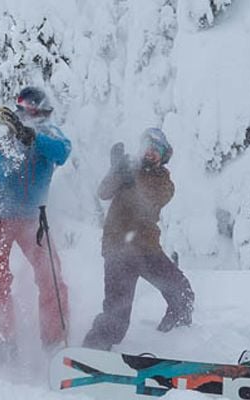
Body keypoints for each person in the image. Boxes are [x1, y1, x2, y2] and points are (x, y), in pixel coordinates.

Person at [82, 128, 195, 351]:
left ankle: (174, 339)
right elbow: (103, 192)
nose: (151, 153)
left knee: (182, 292)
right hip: (118, 250)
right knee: (116, 315)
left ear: (164, 155)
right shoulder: (127, 168)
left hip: (147, 250)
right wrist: (116, 171)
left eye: (157, 149)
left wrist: (130, 180)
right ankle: (92, 351)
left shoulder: (164, 181)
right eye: (148, 147)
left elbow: (149, 201)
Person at [0, 86, 72, 349]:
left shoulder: (49, 133)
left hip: (35, 219)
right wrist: (12, 145)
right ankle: (0, 336)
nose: (31, 116)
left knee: (51, 276)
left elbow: (63, 153)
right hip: (0, 216)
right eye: (26, 110)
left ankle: (55, 339)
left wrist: (33, 139)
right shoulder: (1, 134)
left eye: (37, 112)